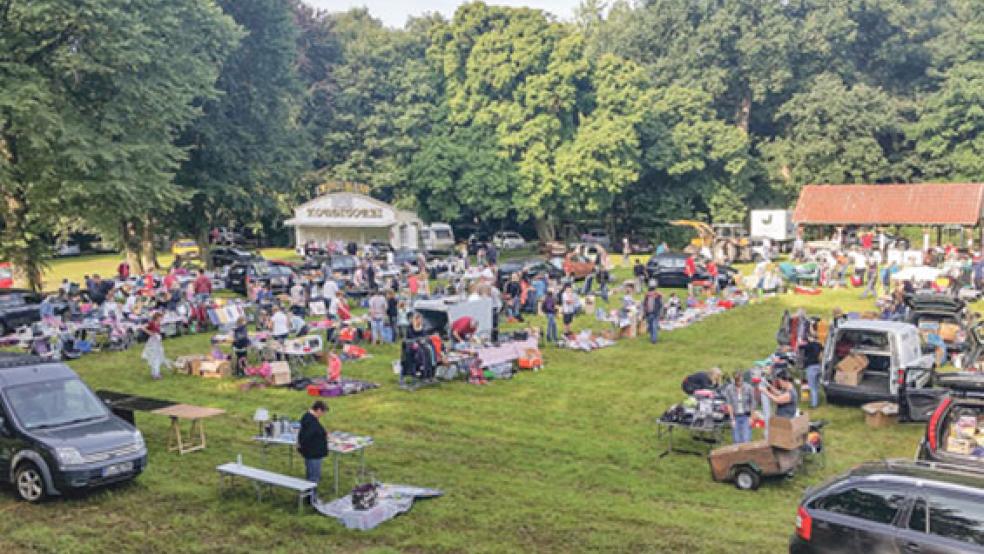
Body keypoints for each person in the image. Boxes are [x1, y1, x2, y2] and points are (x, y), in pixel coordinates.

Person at [298, 401, 329, 484]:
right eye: (323, 412)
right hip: (313, 453)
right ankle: (312, 493)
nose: (322, 415)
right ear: (319, 410)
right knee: (313, 477)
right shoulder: (310, 421)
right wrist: (322, 434)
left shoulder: (309, 418)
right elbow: (308, 436)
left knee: (311, 475)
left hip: (311, 452)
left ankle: (310, 492)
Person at [723, 371, 755, 444]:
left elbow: (752, 403)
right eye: (737, 381)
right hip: (735, 416)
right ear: (734, 380)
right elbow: (729, 404)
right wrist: (732, 419)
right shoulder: (729, 389)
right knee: (736, 440)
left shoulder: (749, 388)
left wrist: (751, 417)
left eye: (740, 381)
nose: (739, 383)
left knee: (746, 439)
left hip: (746, 416)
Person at [141, 312, 170, 380]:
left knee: (159, 357)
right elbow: (142, 327)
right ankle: (156, 374)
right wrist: (150, 333)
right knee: (155, 358)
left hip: (158, 341)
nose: (161, 319)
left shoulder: (158, 323)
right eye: (160, 317)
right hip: (153, 342)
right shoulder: (151, 323)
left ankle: (155, 373)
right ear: (157, 317)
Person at [802, 332, 823, 408]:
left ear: (811, 338)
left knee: (812, 387)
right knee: (816, 386)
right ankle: (816, 401)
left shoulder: (809, 345)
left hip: (811, 367)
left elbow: (801, 347)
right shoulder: (820, 345)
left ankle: (814, 404)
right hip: (818, 366)